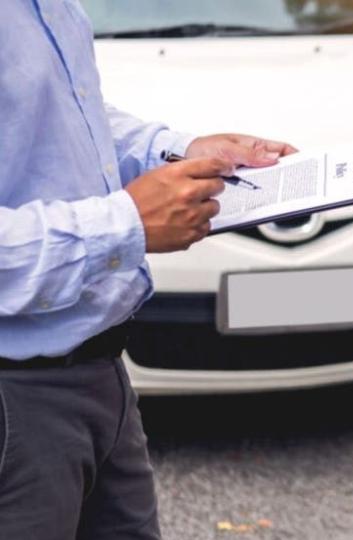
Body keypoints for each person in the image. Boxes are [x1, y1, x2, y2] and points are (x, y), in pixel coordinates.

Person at [0, 2, 296, 538]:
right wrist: (126, 223)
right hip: (16, 398)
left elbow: (57, 115)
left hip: (100, 369)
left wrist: (179, 151)